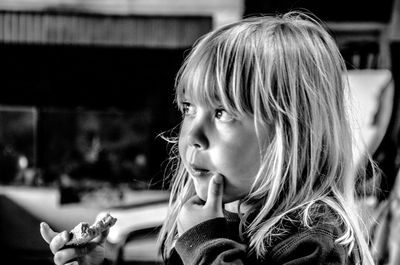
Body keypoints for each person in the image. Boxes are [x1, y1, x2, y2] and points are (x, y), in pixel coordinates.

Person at [40, 11, 377, 265]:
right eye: (189, 109)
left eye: (222, 113)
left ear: (294, 134)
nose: (192, 136)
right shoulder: (225, 219)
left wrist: (205, 244)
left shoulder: (315, 246)